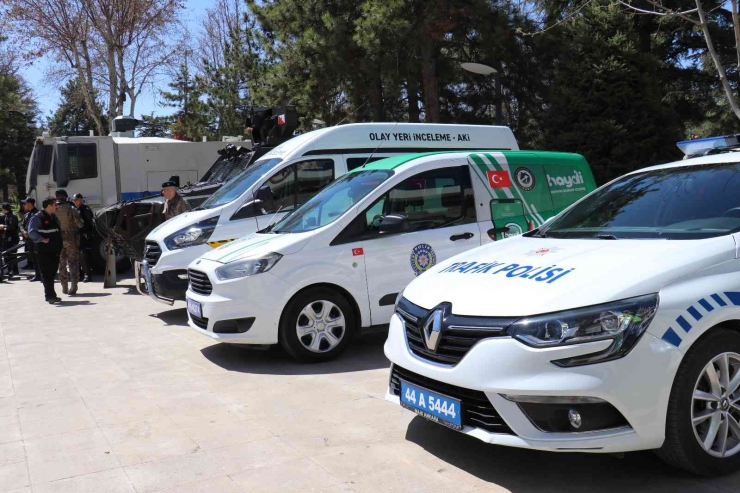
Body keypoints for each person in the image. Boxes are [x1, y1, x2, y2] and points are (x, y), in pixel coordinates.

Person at [27, 197, 62, 304]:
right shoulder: (38, 217)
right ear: (49, 206)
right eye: (55, 204)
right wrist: (42, 239)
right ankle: (49, 296)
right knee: (46, 273)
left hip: (54, 250)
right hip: (43, 250)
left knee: (52, 273)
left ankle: (52, 294)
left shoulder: (53, 217)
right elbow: (31, 232)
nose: (57, 206)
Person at [55, 189, 83, 294]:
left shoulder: (53, 209)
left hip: (58, 239)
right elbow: (80, 224)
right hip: (71, 239)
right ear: (66, 197)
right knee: (73, 262)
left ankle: (64, 287)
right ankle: (74, 286)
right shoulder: (71, 208)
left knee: (61, 263)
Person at [72, 193, 94, 282]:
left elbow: (90, 223)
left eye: (76, 200)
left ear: (80, 200)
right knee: (77, 256)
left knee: (84, 255)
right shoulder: (76, 209)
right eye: (74, 200)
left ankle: (87, 274)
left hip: (84, 235)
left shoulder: (85, 209)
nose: (74, 202)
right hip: (77, 235)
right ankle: (80, 274)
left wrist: (88, 233)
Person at [20, 198, 40, 281]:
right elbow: (21, 225)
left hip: (36, 240)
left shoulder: (38, 213)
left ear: (30, 204)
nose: (24, 205)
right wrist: (23, 231)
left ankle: (41, 274)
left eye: (25, 203)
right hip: (29, 240)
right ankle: (37, 275)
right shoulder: (26, 214)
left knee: (38, 258)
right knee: (33, 258)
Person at [0, 202, 20, 277]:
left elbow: (11, 227)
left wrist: (3, 226)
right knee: (7, 255)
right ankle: (10, 269)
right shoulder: (6, 216)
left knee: (12, 255)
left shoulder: (12, 216)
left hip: (12, 238)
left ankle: (13, 270)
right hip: (7, 238)